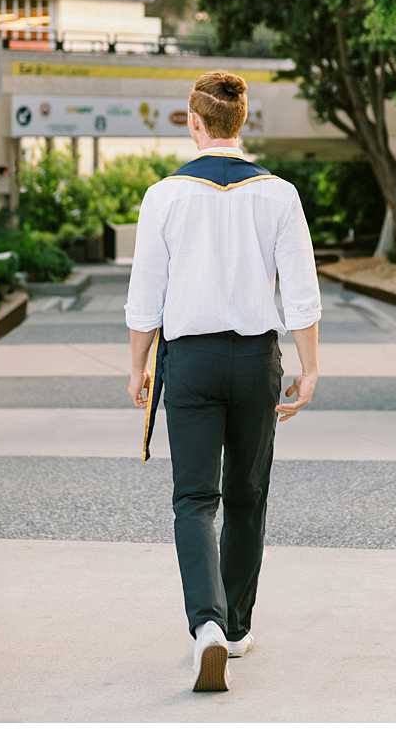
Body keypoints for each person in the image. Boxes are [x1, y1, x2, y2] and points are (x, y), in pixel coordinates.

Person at [125, 71, 322, 693]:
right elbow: (301, 291)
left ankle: (205, 626)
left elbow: (145, 297)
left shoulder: (165, 195)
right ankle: (236, 628)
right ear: (241, 122)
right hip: (255, 359)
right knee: (247, 494)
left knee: (194, 499)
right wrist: (309, 365)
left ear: (194, 122)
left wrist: (138, 365)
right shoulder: (279, 194)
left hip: (189, 361)